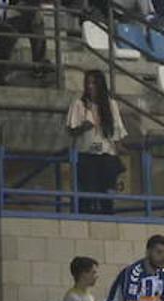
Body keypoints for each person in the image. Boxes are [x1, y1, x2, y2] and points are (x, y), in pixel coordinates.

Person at [66, 70, 125, 215]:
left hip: (106, 154)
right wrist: (83, 127)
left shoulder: (111, 105)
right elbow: (71, 130)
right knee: (87, 192)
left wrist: (120, 149)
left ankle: (107, 215)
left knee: (107, 192)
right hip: (87, 154)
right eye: (87, 83)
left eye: (93, 83)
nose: (90, 86)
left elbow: (118, 131)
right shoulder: (79, 104)